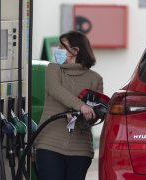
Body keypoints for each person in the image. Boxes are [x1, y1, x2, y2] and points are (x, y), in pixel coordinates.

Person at [35, 30, 103, 180]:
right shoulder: (53, 69)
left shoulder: (95, 79)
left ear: (74, 50)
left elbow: (93, 117)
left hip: (80, 149)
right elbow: (56, 90)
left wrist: (85, 116)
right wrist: (81, 106)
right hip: (50, 144)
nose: (57, 51)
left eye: (61, 47)